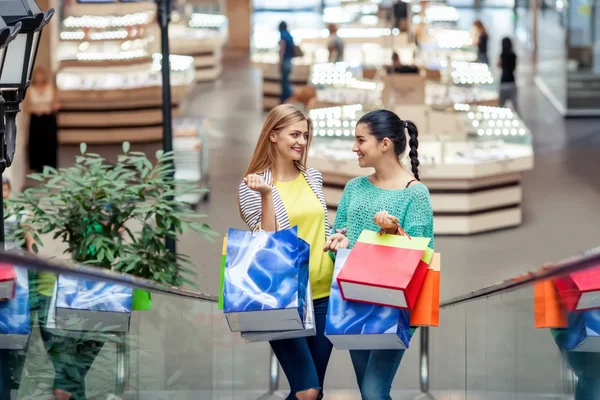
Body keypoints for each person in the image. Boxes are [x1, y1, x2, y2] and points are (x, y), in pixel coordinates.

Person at [323, 109, 434, 399]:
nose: (354, 147)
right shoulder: (354, 188)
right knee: (368, 391)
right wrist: (338, 245)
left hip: (394, 308)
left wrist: (395, 232)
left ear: (384, 144)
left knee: (374, 391)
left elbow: (424, 253)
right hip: (356, 303)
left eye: (361, 140)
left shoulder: (415, 193)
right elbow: (341, 246)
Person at [238, 104, 334, 400]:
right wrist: (267, 195)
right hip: (283, 298)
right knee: (307, 391)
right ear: (273, 135)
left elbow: (323, 228)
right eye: (294, 134)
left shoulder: (312, 177)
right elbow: (266, 243)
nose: (301, 142)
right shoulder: (251, 185)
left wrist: (335, 241)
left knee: (312, 391)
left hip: (324, 296)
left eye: (305, 135)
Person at [24, 67, 60, 173]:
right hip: (36, 119)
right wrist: (36, 110)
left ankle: (50, 166)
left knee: (50, 142)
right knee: (36, 142)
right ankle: (37, 166)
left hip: (48, 119)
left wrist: (49, 109)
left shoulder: (51, 88)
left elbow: (57, 104)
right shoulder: (30, 90)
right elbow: (26, 107)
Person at [498, 37, 519, 113]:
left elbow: (498, 65)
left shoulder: (502, 55)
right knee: (516, 107)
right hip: (512, 82)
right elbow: (514, 68)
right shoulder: (513, 55)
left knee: (501, 106)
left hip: (503, 82)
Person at [279, 21, 295, 105]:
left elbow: (282, 49)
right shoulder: (289, 35)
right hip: (290, 61)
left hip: (285, 61)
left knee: (284, 82)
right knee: (287, 81)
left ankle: (286, 100)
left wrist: (280, 62)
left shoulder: (283, 35)